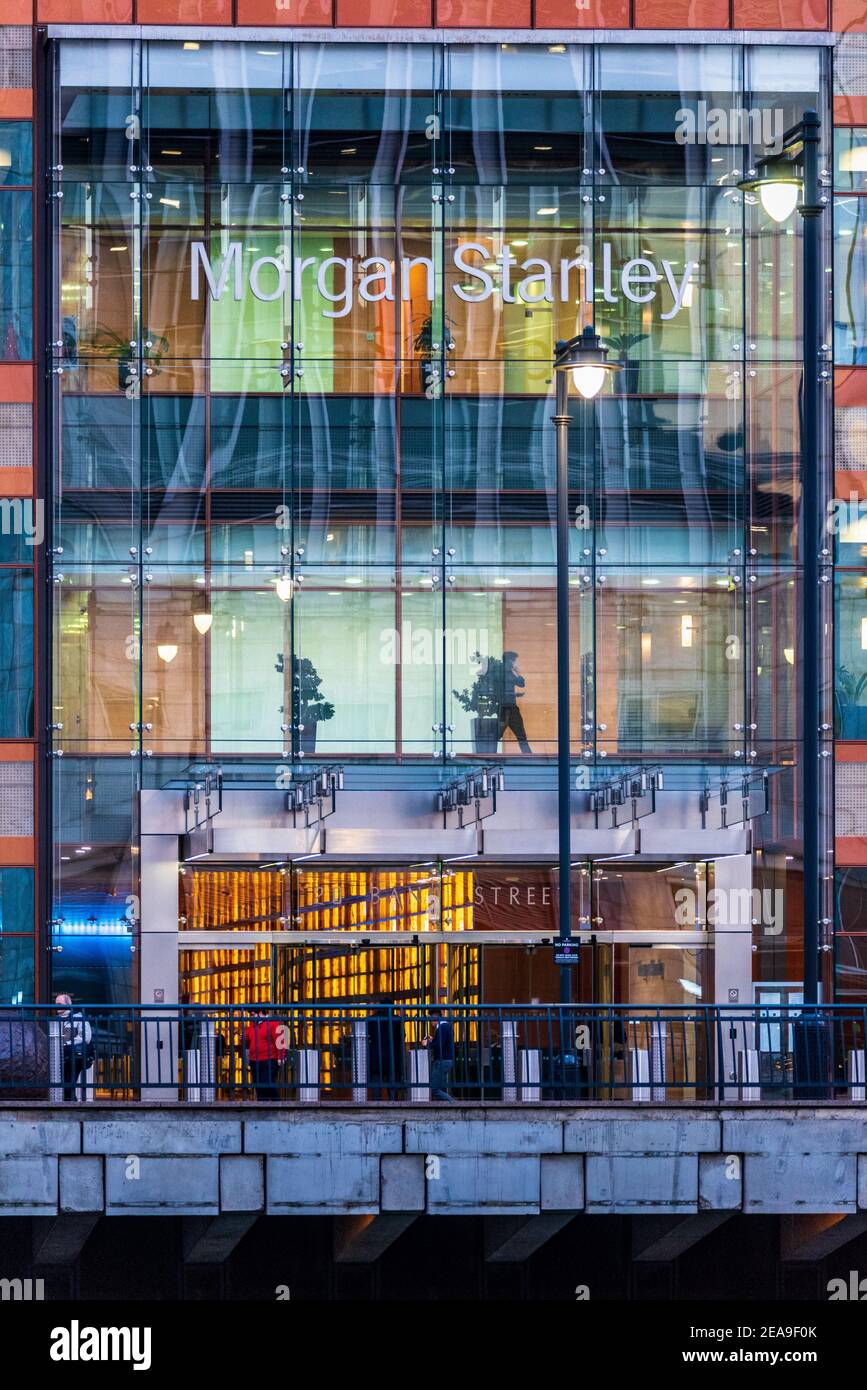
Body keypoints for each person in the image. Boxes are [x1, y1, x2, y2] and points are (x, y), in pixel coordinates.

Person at [55, 994, 93, 1101]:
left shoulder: (79, 1017)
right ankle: (71, 1105)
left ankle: (72, 1107)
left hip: (75, 1058)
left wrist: (67, 1044)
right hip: (61, 1057)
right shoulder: (56, 1020)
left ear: (67, 1004)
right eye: (55, 1004)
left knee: (68, 1084)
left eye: (59, 1004)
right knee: (65, 1085)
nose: (56, 1006)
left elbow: (86, 1037)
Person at [367, 1003, 405, 1101]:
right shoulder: (396, 1019)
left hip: (376, 1056)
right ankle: (393, 1103)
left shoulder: (371, 1019)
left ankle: (376, 1104)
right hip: (392, 1057)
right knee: (392, 1083)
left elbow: (367, 1036)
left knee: (376, 1082)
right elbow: (402, 1036)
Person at [243, 1006, 283, 1101]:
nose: (251, 1017)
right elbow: (247, 1039)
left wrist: (280, 1057)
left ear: (260, 1013)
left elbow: (280, 1041)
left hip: (269, 1060)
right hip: (254, 1060)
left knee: (267, 1084)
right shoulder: (252, 1025)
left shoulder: (273, 1024)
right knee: (259, 1086)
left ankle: (278, 1106)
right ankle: (262, 1108)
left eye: (252, 1014)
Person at [497, 650, 532, 755]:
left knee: (497, 735)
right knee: (521, 734)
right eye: (514, 661)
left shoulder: (505, 673)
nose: (516, 664)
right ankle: (529, 757)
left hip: (506, 707)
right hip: (508, 708)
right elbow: (521, 683)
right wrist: (517, 673)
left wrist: (515, 695)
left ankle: (488, 756)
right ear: (510, 661)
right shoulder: (506, 674)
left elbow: (517, 686)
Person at [423, 1007, 455, 1103]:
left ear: (435, 1017)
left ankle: (455, 1104)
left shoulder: (442, 1027)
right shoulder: (446, 1026)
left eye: (430, 1018)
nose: (430, 1021)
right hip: (446, 1060)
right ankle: (449, 1107)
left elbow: (439, 1045)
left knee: (434, 1089)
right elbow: (443, 1042)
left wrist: (427, 1044)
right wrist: (433, 1040)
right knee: (441, 1087)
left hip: (442, 1061)